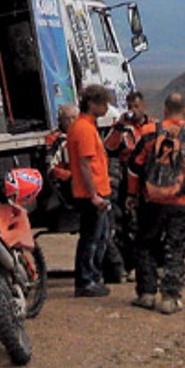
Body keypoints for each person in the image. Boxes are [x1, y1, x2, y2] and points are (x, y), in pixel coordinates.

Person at [128, 92, 185, 314]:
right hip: (181, 202)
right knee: (176, 247)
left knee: (145, 244)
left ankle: (146, 293)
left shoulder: (147, 133)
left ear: (164, 110)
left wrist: (132, 195)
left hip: (151, 200)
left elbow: (134, 168)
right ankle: (170, 298)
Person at [67, 84, 114, 297]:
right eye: (103, 103)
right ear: (92, 104)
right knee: (92, 238)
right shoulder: (84, 129)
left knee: (98, 236)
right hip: (90, 194)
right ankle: (86, 280)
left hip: (95, 191)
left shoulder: (86, 126)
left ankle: (92, 277)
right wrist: (94, 195)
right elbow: (85, 164)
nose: (106, 107)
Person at [100, 90, 146, 285]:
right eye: (129, 107)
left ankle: (143, 266)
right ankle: (125, 266)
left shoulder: (152, 126)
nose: (132, 111)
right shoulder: (122, 127)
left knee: (142, 225)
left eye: (136, 107)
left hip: (146, 176)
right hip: (125, 176)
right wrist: (119, 126)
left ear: (143, 106)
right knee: (123, 224)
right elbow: (108, 147)